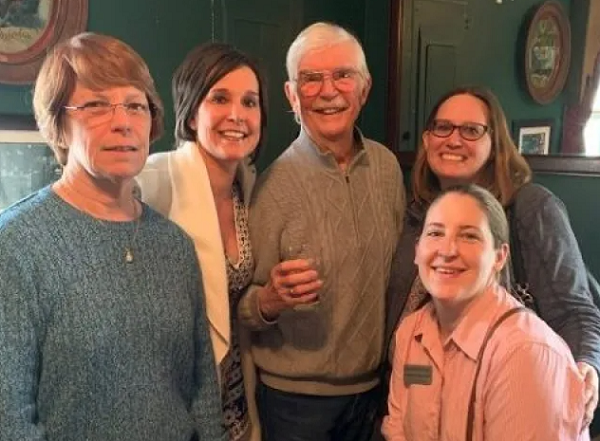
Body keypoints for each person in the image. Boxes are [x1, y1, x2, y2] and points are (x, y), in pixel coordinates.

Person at [0, 33, 222, 441]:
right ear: (58, 125)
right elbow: (8, 419)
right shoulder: (17, 245)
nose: (123, 122)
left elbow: (203, 392)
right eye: (97, 105)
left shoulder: (174, 246)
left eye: (136, 105)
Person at [384, 85, 600, 429]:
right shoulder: (416, 212)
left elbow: (575, 309)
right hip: (417, 395)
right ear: (427, 139)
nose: (454, 140)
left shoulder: (531, 208)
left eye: (471, 130)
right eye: (443, 127)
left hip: (502, 397)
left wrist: (586, 364)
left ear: (495, 143)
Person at [237, 22, 406, 441]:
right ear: (292, 95)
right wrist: (270, 300)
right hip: (295, 406)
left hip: (376, 394)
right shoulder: (270, 188)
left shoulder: (387, 170)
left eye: (343, 75)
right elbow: (238, 308)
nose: (328, 91)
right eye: (311, 79)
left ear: (364, 89)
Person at [382, 184, 589, 440]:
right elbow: (397, 428)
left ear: (500, 257)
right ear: (417, 250)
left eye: (469, 236)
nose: (447, 250)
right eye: (435, 233)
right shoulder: (411, 332)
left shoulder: (526, 353)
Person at [136, 42, 267, 441]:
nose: (237, 115)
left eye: (249, 102)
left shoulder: (249, 188)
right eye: (220, 99)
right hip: (171, 405)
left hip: (235, 401)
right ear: (192, 114)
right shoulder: (153, 181)